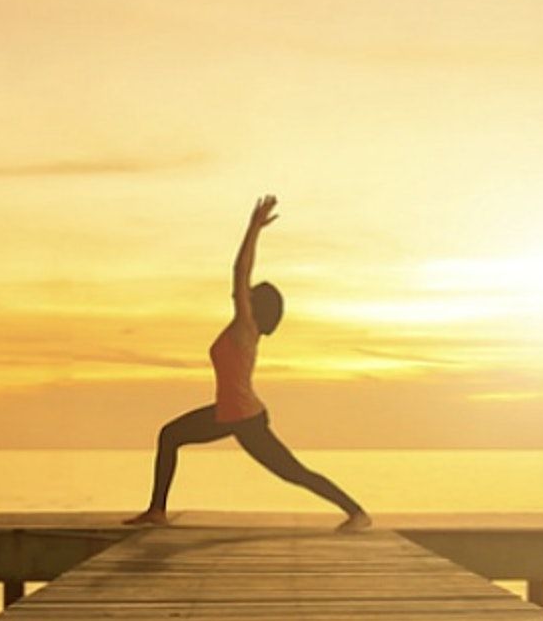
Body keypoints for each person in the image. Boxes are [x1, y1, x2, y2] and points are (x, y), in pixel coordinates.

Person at [125, 195, 371, 532]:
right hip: (228, 413)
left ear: (252, 303)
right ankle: (156, 511)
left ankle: (357, 512)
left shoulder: (245, 325)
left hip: (244, 418)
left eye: (248, 293)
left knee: (292, 472)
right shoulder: (240, 328)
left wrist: (254, 228)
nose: (242, 292)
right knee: (170, 435)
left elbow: (240, 270)